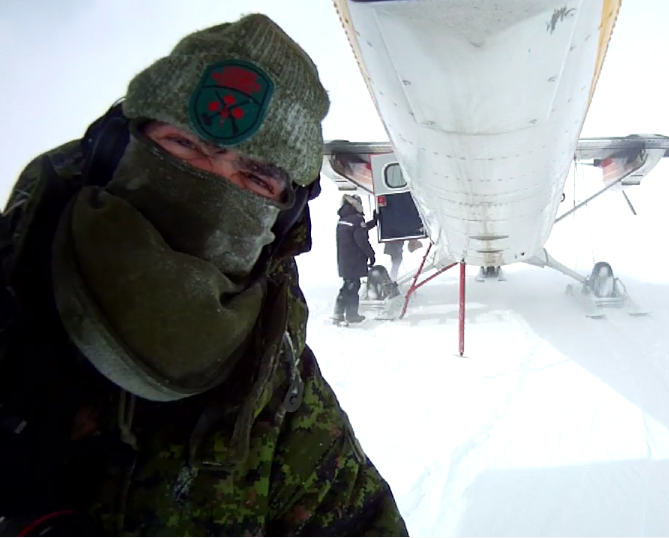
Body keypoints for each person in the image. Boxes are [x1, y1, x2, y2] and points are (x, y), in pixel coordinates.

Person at [0, 14, 407, 536]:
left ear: (281, 221)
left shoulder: (287, 417)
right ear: (116, 149)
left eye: (255, 176)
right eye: (183, 146)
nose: (208, 185)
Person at [335, 194, 377, 323]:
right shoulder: (356, 220)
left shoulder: (345, 219)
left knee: (349, 284)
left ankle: (343, 313)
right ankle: (348, 314)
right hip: (354, 259)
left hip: (344, 259)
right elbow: (361, 240)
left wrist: (373, 223)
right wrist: (371, 254)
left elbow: (359, 229)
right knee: (352, 286)